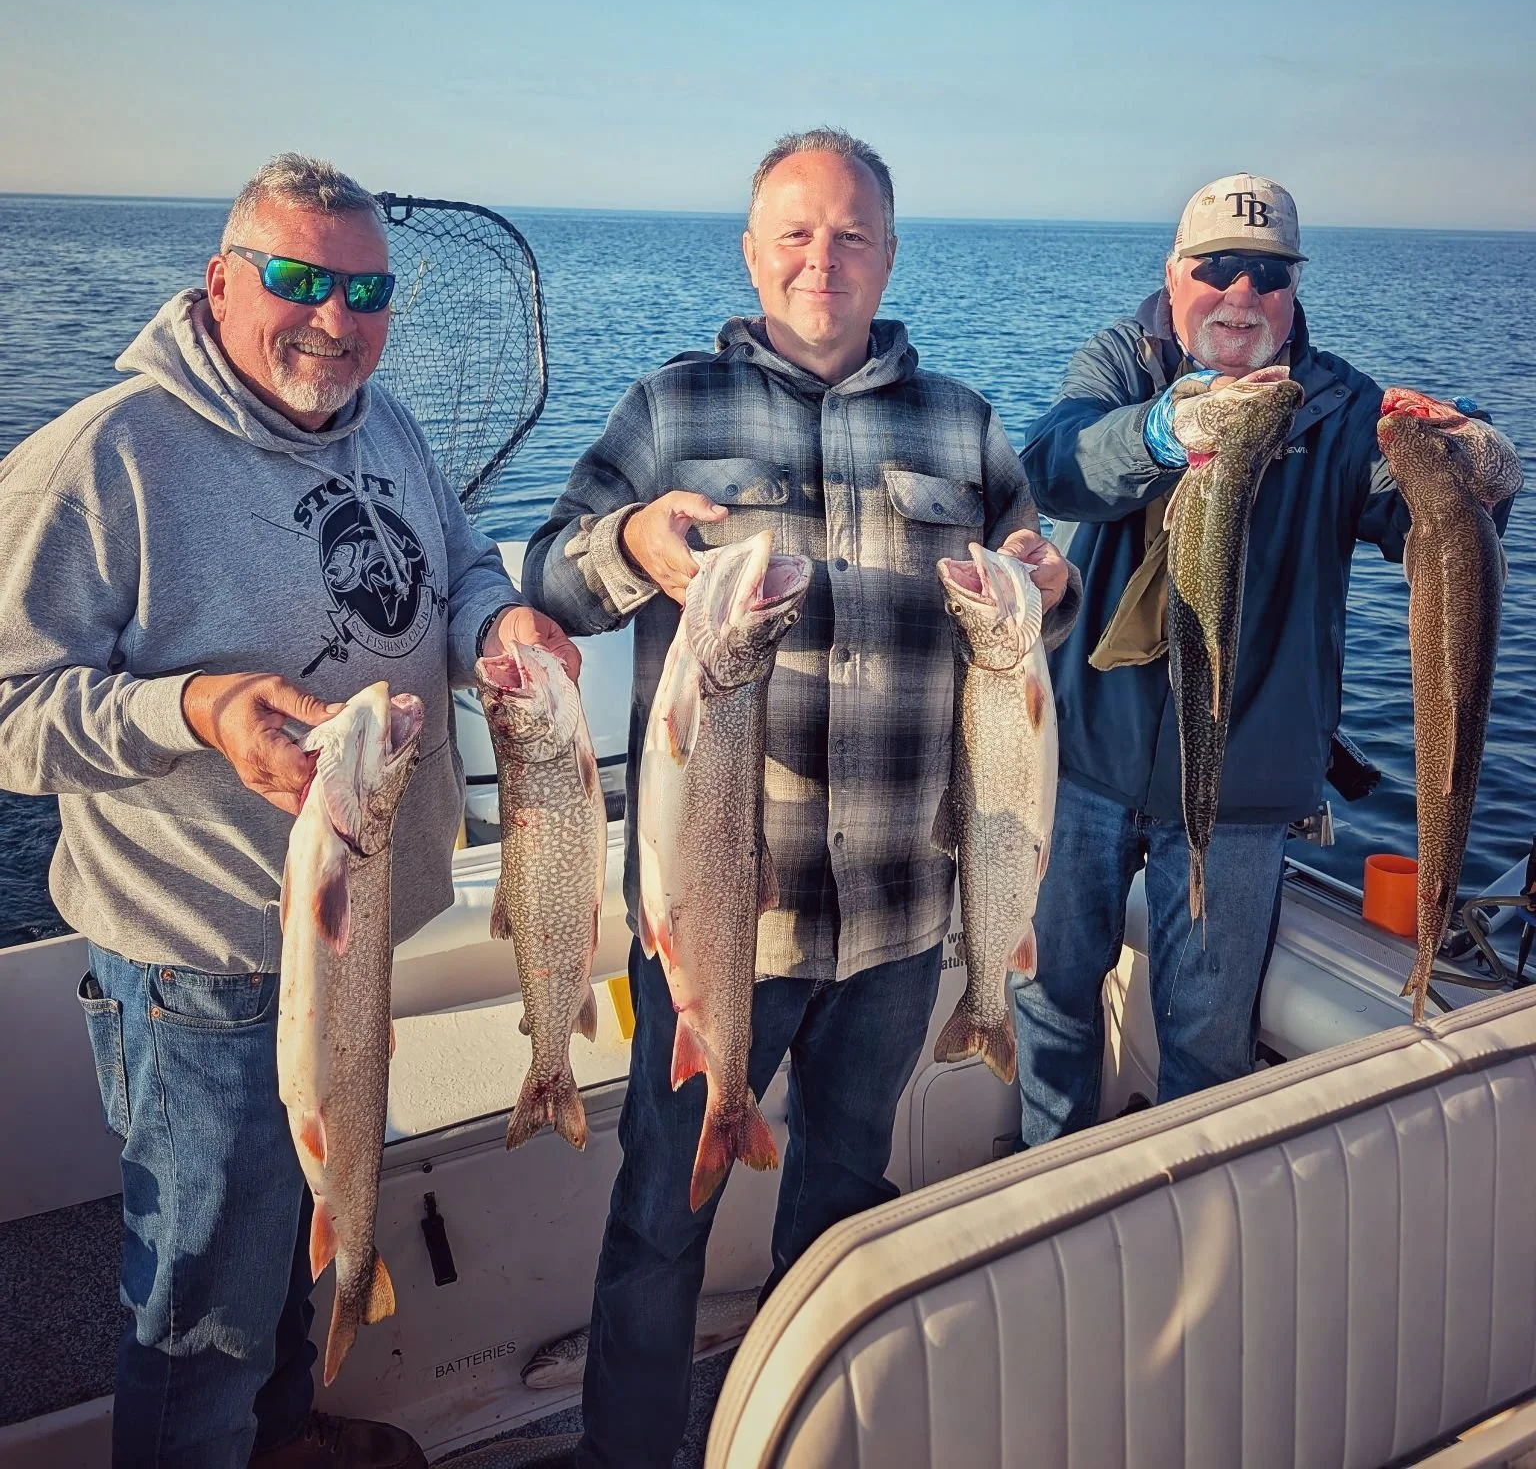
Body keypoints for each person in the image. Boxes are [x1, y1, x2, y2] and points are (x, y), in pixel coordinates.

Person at [0, 154, 577, 1469]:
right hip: (205, 967)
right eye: (300, 279)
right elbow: (9, 702)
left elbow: (466, 557)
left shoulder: (387, 424)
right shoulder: (104, 459)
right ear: (220, 282)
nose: (336, 316)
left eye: (365, 288)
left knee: (303, 1240)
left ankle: (281, 1440)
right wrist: (196, 710)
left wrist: (500, 622)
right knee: (201, 1304)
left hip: (355, 923)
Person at [523, 127, 1080, 1469]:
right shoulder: (669, 410)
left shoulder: (964, 422)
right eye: (794, 232)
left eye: (849, 235)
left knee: (844, 1206)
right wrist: (627, 544)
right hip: (722, 929)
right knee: (662, 1211)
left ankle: (805, 1445)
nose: (820, 257)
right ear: (751, 250)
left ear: (888, 255)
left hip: (899, 916)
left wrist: (1043, 590)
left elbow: (1026, 611)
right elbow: (551, 575)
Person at [1011, 171, 1513, 1142]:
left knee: (1207, 1043)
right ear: (1175, 273)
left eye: (1267, 273)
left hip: (1246, 796)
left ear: (1294, 289)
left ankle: (1184, 1223)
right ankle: (1043, 1185)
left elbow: (1421, 518)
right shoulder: (1127, 360)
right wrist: (1161, 431)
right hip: (1084, 770)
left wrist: (1475, 465)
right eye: (1218, 267)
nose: (1241, 293)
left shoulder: (1341, 409)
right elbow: (1054, 464)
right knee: (1051, 999)